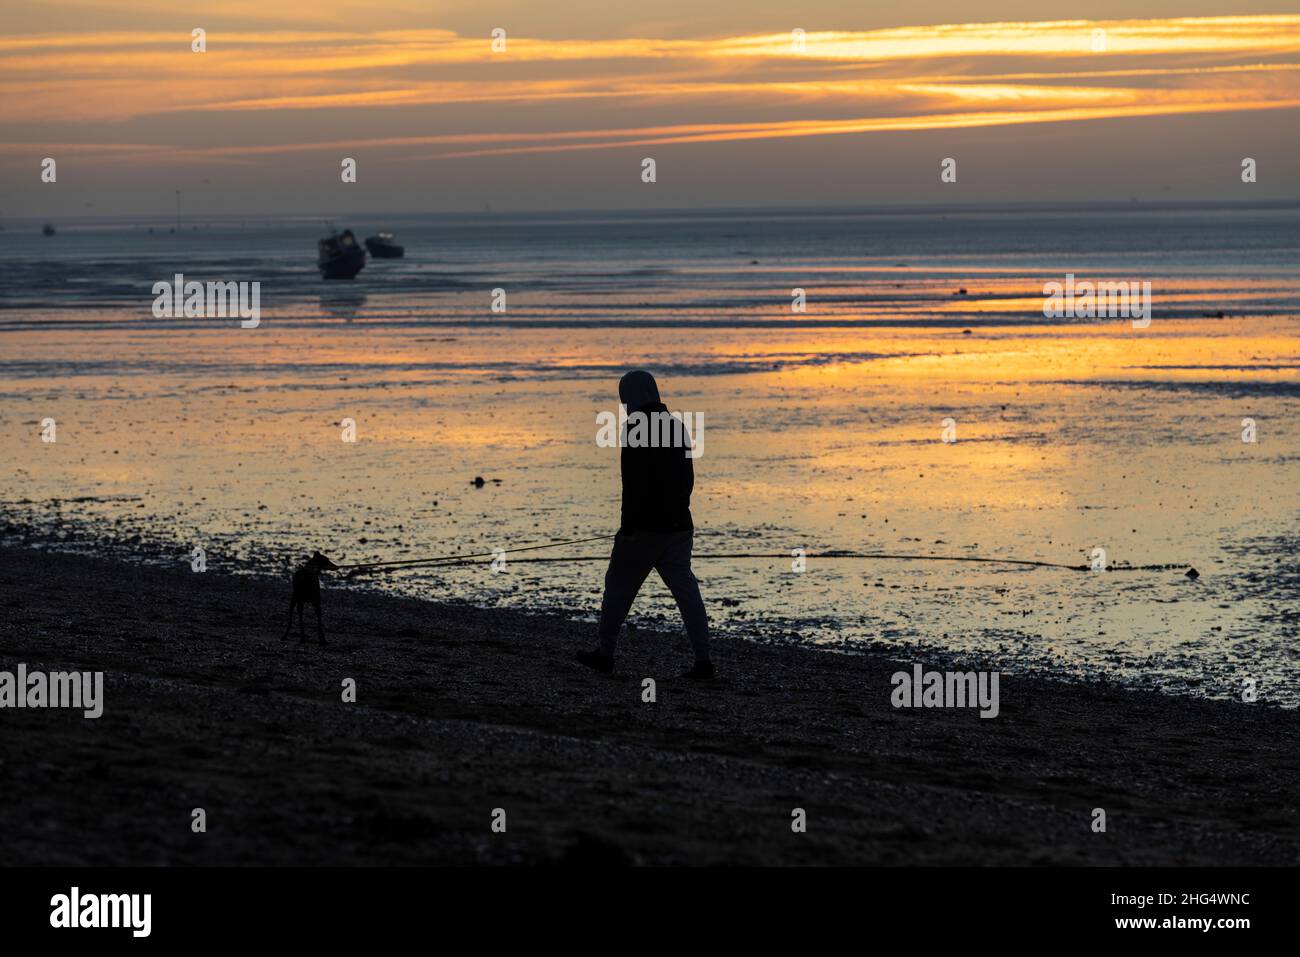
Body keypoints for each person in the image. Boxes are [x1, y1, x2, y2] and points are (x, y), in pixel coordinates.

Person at [576, 371, 713, 679]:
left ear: (630, 397)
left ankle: (605, 654)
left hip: (645, 531)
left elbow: (634, 486)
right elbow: (687, 479)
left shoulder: (635, 428)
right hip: (679, 526)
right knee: (687, 592)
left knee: (618, 589)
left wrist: (628, 529)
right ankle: (703, 660)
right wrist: (679, 511)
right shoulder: (677, 427)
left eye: (624, 398)